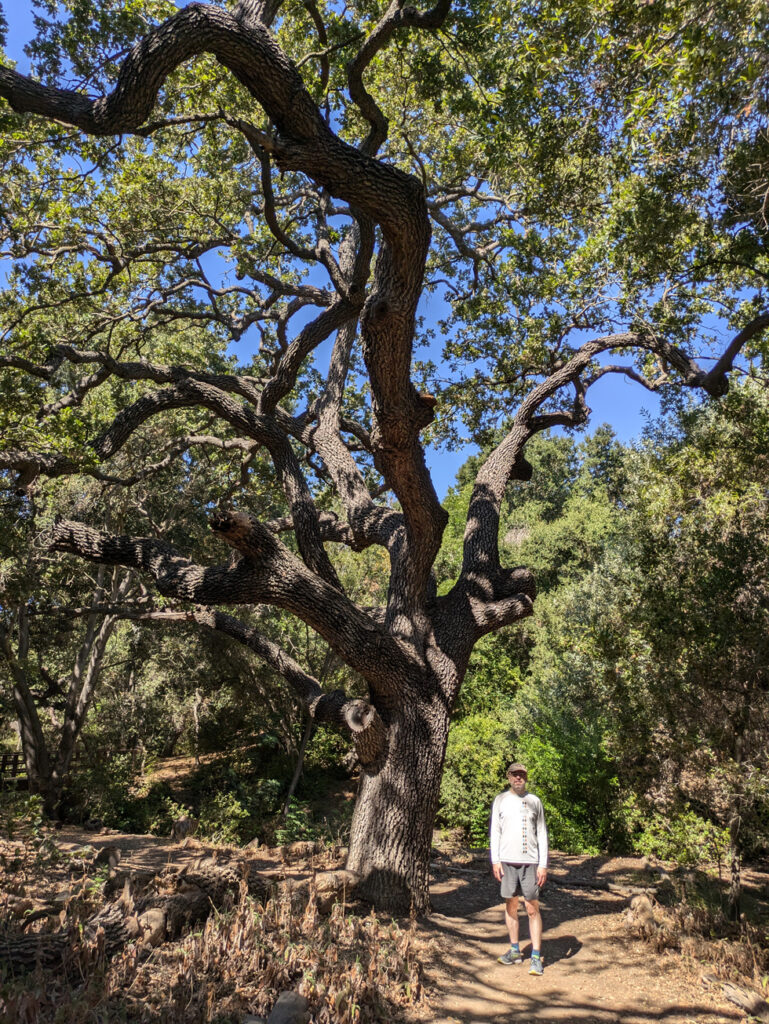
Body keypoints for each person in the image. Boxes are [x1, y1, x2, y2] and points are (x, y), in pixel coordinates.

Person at [490, 761, 549, 976]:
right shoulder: (501, 800)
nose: (518, 778)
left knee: (532, 908)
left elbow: (542, 832)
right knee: (511, 906)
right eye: (514, 774)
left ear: (526, 777)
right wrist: (495, 860)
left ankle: (535, 956)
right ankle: (515, 950)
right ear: (508, 777)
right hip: (506, 861)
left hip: (530, 862)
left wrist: (543, 864)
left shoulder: (534, 801)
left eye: (522, 774)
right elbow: (495, 831)